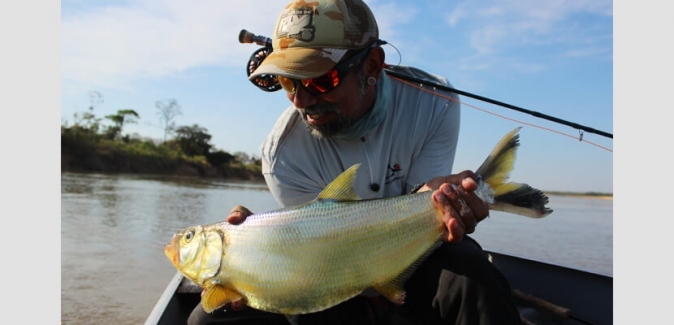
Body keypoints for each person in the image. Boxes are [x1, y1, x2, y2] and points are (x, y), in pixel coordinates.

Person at [188, 0, 521, 324]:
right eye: (288, 81)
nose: (302, 101)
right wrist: (257, 246)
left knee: (470, 269)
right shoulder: (282, 158)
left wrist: (443, 202)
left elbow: (424, 212)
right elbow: (321, 257)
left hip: (412, 258)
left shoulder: (435, 104)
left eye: (320, 79)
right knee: (210, 317)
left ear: (373, 65)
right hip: (329, 275)